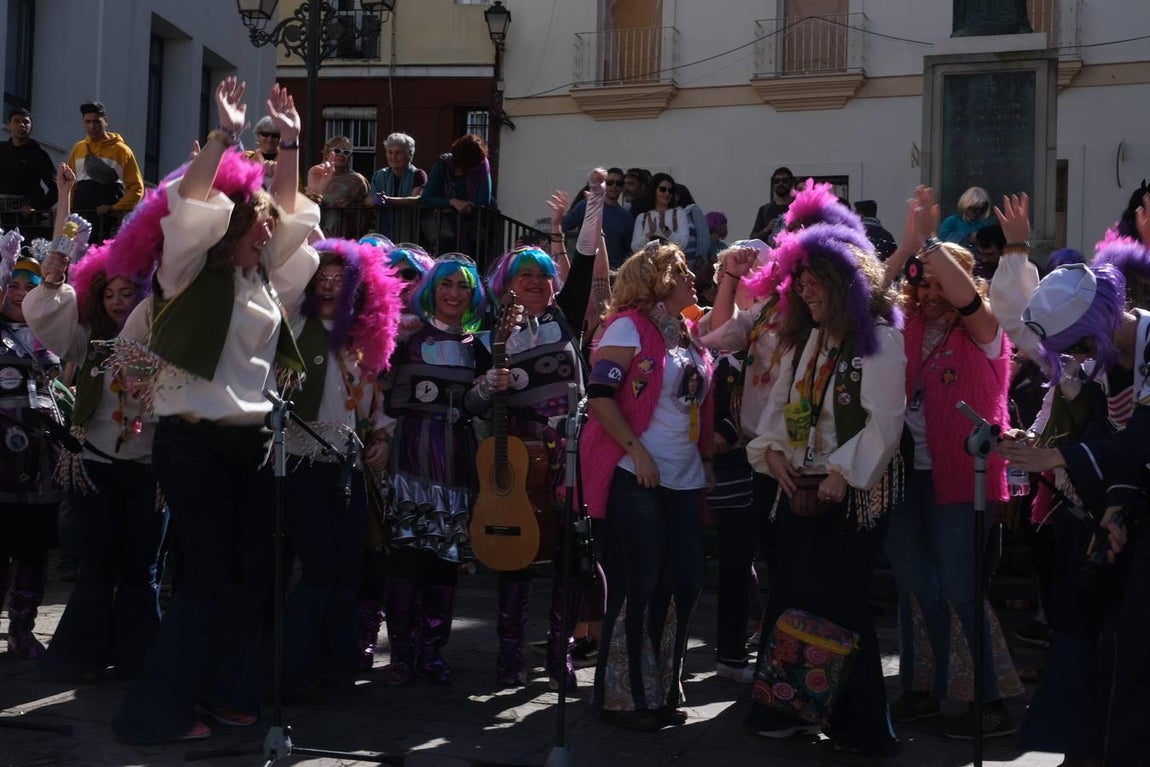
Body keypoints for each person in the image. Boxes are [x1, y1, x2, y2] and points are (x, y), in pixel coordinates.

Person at [111, 77, 322, 744]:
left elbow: (292, 214)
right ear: (231, 227)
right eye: (257, 222)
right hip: (193, 443)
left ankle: (225, 693)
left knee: (246, 578)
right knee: (202, 579)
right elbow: (191, 203)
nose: (270, 229)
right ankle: (161, 710)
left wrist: (289, 139)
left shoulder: (264, 283)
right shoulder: (183, 274)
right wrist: (226, 134)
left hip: (250, 444)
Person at [744, 221, 906, 757]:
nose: (803, 289)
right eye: (800, 279)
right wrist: (770, 453)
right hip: (796, 488)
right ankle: (788, 709)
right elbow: (777, 411)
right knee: (791, 597)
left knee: (841, 603)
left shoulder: (879, 337)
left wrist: (842, 471)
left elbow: (886, 420)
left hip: (852, 492)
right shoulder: (807, 339)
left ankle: (861, 727)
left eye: (814, 279)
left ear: (844, 282)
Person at [881, 186, 1022, 739]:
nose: (931, 290)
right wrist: (908, 248)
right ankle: (928, 685)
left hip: (962, 477)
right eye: (925, 280)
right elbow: (869, 297)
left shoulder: (986, 334)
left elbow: (969, 302)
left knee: (960, 587)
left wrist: (931, 243)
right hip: (901, 475)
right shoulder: (901, 327)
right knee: (916, 584)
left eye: (941, 279)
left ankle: (991, 697)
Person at [29, 165, 162, 683]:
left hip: (151, 471)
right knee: (96, 566)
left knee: (142, 570)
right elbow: (52, 282)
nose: (117, 300)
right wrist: (64, 199)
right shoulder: (82, 341)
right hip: (96, 468)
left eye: (128, 293)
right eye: (109, 294)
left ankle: (139, 659)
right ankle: (81, 658)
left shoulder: (157, 339)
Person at [580, 240, 714, 732]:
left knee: (684, 582)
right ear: (656, 279)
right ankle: (625, 697)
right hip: (633, 475)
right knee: (640, 583)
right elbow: (600, 395)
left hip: (682, 477)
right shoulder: (626, 326)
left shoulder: (688, 331)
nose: (692, 277)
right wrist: (636, 450)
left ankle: (659, 687)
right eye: (681, 271)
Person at [484, 170, 610, 691]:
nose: (536, 284)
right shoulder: (493, 332)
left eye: (541, 276)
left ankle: (560, 654)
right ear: (507, 286)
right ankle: (511, 653)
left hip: (570, 452)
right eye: (524, 278)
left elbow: (583, 259)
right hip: (521, 457)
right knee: (515, 557)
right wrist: (491, 383)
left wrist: (596, 203)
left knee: (567, 557)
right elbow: (475, 398)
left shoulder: (565, 316)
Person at [279, 236, 404, 696]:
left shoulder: (363, 339)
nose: (330, 286)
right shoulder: (292, 325)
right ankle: (293, 671)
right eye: (322, 278)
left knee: (348, 569)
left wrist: (383, 439)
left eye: (340, 279)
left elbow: (378, 404)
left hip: (348, 469)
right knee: (318, 569)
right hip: (301, 463)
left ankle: (336, 667)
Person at [382, 253, 499, 686]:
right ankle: (401, 652)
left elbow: (473, 407)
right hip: (409, 455)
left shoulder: (479, 347)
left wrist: (487, 387)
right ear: (432, 289)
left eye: (464, 286)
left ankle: (432, 649)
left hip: (455, 459)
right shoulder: (405, 336)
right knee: (407, 555)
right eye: (446, 284)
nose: (454, 293)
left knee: (445, 560)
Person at [353, 239, 433, 670]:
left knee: (413, 547)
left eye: (411, 277)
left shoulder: (433, 330)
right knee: (373, 545)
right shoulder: (364, 327)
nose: (402, 284)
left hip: (422, 451)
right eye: (394, 275)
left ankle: (416, 638)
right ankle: (364, 635)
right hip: (375, 449)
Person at [0, 236, 66, 660]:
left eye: (28, 286)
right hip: (0, 457)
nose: (20, 293)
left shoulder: (50, 334)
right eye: (12, 284)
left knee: (34, 548)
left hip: (42, 455)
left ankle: (23, 628)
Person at [67, 101, 144, 236]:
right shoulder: (78, 148)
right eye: (88, 122)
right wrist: (66, 209)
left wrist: (114, 209)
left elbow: (136, 188)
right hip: (78, 219)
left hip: (107, 222)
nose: (92, 126)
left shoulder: (122, 150)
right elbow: (70, 184)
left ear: (105, 121)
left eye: (96, 122)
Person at [419, 135, 493, 256]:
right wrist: (452, 202)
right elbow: (427, 199)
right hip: (443, 225)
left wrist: (467, 206)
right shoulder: (443, 165)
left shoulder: (481, 163)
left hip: (472, 224)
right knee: (446, 241)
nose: (468, 171)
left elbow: (484, 199)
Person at [561, 167, 633, 270]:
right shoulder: (587, 205)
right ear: (603, 184)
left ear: (622, 187)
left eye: (619, 183)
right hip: (587, 266)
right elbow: (564, 225)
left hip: (614, 270)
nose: (614, 186)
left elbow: (627, 250)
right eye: (610, 182)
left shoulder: (626, 216)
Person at [0, 108, 58, 227]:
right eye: (16, 121)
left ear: (31, 126)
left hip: (26, 219)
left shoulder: (39, 155)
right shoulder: (1, 150)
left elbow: (56, 189)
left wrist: (36, 208)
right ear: (9, 125)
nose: (22, 125)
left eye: (26, 122)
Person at [369, 132, 427, 242]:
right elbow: (368, 199)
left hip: (411, 229)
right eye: (390, 152)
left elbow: (415, 199)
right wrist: (374, 200)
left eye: (398, 153)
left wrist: (388, 200)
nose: (393, 157)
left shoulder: (418, 174)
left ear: (409, 154)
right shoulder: (379, 175)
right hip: (384, 230)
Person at [310, 135, 370, 240]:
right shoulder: (315, 174)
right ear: (327, 152)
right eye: (337, 150)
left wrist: (350, 208)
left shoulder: (357, 180)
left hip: (345, 239)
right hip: (316, 234)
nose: (341, 155)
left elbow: (368, 211)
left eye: (346, 152)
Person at [630, 173, 689, 253]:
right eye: (663, 189)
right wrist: (649, 235)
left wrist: (665, 230)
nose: (667, 193)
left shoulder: (679, 214)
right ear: (654, 191)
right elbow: (634, 248)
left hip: (670, 264)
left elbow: (683, 244)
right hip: (648, 264)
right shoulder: (642, 217)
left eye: (670, 190)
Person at [749, 166, 795, 242]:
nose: (780, 184)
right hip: (770, 252)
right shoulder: (765, 210)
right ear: (773, 184)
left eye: (785, 181)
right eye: (777, 181)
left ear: (791, 183)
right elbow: (752, 239)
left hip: (794, 252)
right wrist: (766, 229)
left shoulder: (797, 206)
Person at [242, 115, 281, 187]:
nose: (270, 139)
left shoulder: (287, 161)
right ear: (258, 136)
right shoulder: (247, 157)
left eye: (275, 135)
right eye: (265, 134)